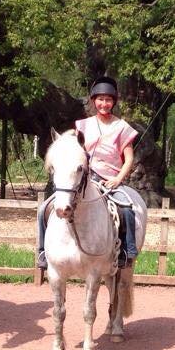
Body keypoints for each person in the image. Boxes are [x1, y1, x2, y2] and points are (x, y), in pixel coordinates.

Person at [36, 76, 139, 269]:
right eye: (100, 99)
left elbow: (129, 159)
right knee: (44, 209)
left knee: (127, 209)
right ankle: (42, 252)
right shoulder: (82, 125)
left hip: (110, 180)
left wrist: (118, 179)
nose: (104, 104)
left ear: (114, 102)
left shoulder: (122, 127)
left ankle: (127, 250)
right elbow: (74, 150)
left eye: (108, 100)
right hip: (85, 179)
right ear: (93, 101)